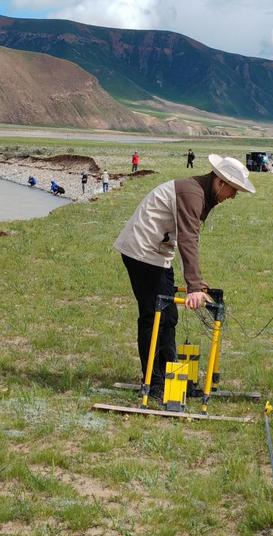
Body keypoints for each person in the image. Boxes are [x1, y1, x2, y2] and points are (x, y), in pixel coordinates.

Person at [114, 154, 256, 401]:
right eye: (233, 190)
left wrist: (197, 283)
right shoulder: (192, 193)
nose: (232, 197)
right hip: (142, 253)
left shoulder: (201, 192)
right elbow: (188, 239)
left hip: (158, 253)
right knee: (153, 316)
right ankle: (154, 382)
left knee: (168, 316)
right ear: (220, 182)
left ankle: (172, 377)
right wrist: (193, 287)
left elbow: (188, 237)